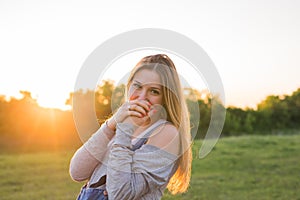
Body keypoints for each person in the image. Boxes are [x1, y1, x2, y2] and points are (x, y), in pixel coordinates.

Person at [69, 54, 192, 199]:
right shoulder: (120, 125)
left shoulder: (166, 133)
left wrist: (125, 130)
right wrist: (111, 124)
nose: (141, 97)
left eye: (154, 91)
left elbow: (120, 194)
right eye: (137, 86)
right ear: (129, 86)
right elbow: (77, 172)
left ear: (166, 98)